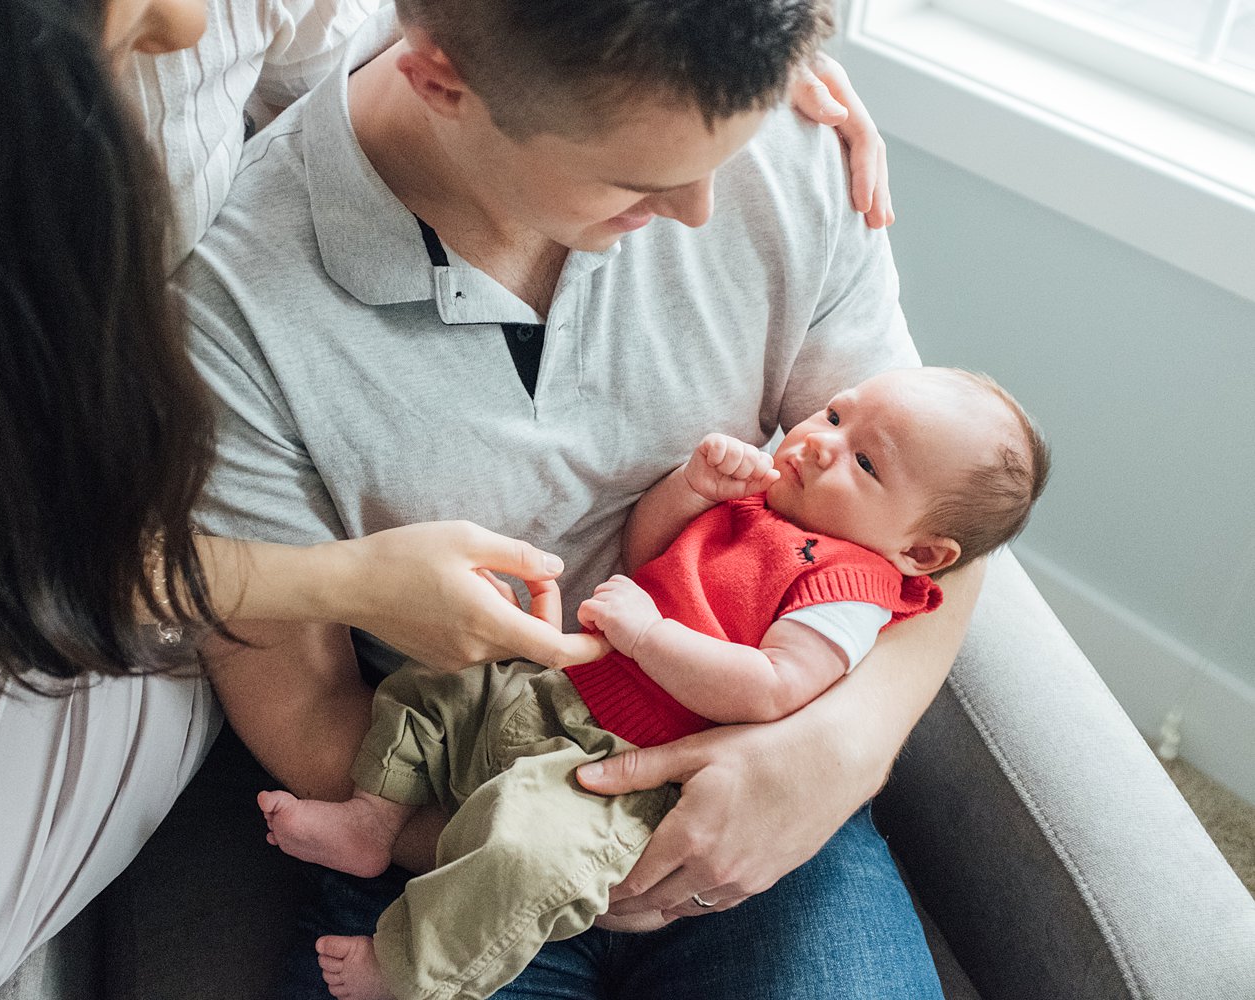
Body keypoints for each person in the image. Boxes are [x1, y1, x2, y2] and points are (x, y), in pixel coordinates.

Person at [180, 1, 987, 997]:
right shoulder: (234, 309)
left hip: (760, 790)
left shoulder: (776, 135)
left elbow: (937, 522)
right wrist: (542, 849)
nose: (702, 209)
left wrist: (835, 757)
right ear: (442, 82)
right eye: (642, 179)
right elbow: (304, 708)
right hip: (453, 815)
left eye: (724, 155)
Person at [253, 367, 1049, 1000]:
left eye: (866, 464)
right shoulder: (765, 506)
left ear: (923, 552)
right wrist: (693, 490)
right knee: (425, 697)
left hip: (624, 773)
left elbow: (770, 686)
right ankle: (370, 821)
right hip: (559, 693)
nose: (819, 445)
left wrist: (651, 636)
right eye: (835, 417)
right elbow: (651, 551)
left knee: (527, 847)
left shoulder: (850, 586)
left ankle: (412, 970)